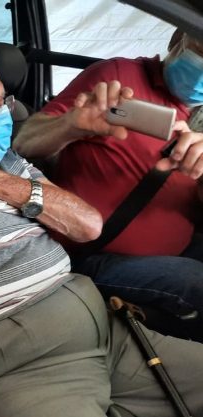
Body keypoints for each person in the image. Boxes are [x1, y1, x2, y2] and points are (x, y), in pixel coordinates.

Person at [0, 48, 203, 417]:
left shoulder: (4, 162)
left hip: (105, 331)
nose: (5, 113)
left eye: (5, 100)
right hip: (20, 362)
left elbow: (87, 224)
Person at [12, 30, 203, 338]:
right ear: (177, 38)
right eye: (201, 49)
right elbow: (25, 142)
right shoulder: (117, 77)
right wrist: (70, 125)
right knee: (196, 281)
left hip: (181, 249)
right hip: (95, 256)